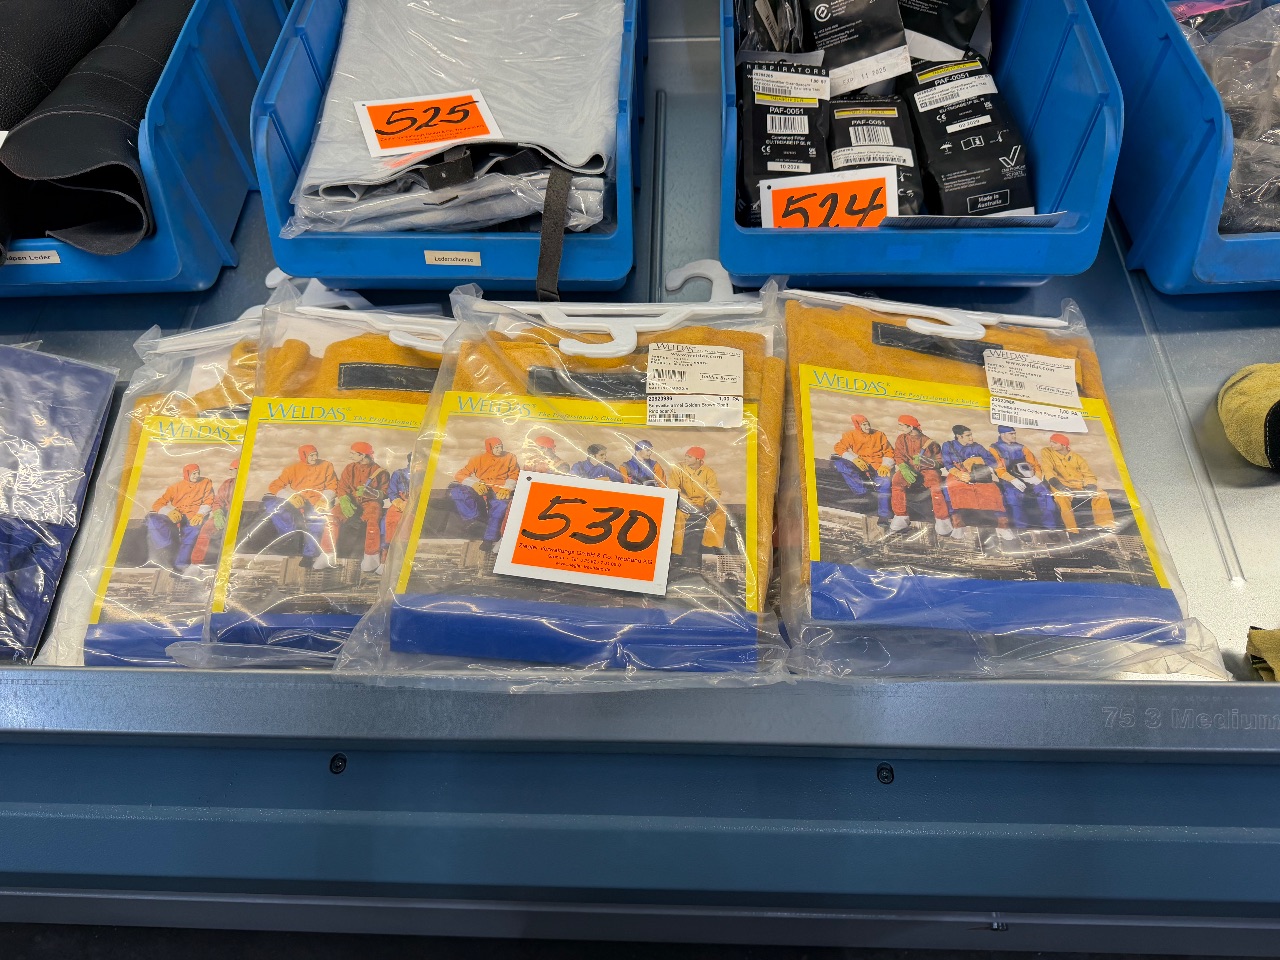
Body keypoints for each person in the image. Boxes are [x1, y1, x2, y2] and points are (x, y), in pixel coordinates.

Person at [264, 444, 340, 570]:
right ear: (303, 456)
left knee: (316, 523)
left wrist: (325, 499)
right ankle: (289, 540)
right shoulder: (292, 469)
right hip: (299, 501)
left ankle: (308, 555)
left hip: (318, 502)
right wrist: (290, 497)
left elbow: (333, 486)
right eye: (311, 455)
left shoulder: (327, 466)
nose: (315, 457)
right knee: (273, 506)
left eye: (316, 454)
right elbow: (274, 486)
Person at [941, 425, 1015, 542]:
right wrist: (959, 473)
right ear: (959, 436)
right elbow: (947, 463)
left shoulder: (977, 447)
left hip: (977, 475)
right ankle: (958, 525)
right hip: (957, 474)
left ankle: (1002, 526)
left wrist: (975, 460)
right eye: (968, 435)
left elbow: (992, 461)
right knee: (950, 491)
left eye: (971, 435)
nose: (971, 437)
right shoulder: (948, 445)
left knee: (994, 492)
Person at [449, 437, 520, 552]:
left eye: (501, 447)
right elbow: (460, 475)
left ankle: (488, 539)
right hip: (481, 489)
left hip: (500, 491)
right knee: (458, 491)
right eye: (496, 447)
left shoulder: (510, 457)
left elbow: (515, 474)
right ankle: (473, 519)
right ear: (489, 448)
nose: (500, 449)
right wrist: (474, 484)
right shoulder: (477, 459)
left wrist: (507, 488)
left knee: (500, 507)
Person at [888, 415, 952, 536]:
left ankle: (942, 519)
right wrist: (903, 467)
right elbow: (898, 455)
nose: (900, 428)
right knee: (896, 480)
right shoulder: (901, 439)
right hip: (909, 469)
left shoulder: (930, 442)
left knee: (935, 484)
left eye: (902, 425)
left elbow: (940, 461)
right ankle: (901, 516)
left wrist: (927, 462)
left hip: (927, 469)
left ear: (911, 427)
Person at [1039, 433, 1117, 532]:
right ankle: (1072, 530)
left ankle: (1105, 525)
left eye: (1054, 443)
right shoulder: (1046, 451)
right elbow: (1047, 469)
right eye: (1051, 442)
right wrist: (1059, 485)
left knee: (1101, 494)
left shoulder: (1078, 458)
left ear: (1064, 445)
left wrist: (1091, 485)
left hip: (1078, 483)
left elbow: (1088, 474)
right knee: (1062, 498)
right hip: (1059, 483)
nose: (1051, 444)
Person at [147, 463, 214, 574]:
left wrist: (201, 514)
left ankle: (180, 565)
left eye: (198, 473)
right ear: (186, 474)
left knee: (192, 532)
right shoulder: (175, 487)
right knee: (153, 518)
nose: (197, 476)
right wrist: (169, 512)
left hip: (195, 517)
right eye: (194, 473)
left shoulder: (206, 482)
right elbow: (157, 504)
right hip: (178, 516)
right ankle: (167, 548)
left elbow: (209, 501)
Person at [335, 441, 389, 574]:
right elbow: (342, 487)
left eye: (353, 453)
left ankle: (371, 557)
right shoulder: (349, 468)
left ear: (363, 455)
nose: (350, 456)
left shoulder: (380, 472)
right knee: (332, 515)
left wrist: (372, 493)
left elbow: (385, 492)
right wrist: (344, 499)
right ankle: (328, 553)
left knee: (373, 520)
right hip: (351, 501)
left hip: (371, 503)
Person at [989, 426, 1057, 530]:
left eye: (1014, 433)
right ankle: (1021, 529)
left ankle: (1051, 527)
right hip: (1009, 481)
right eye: (1011, 434)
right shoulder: (994, 449)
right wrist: (1013, 480)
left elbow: (1035, 464)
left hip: (1030, 478)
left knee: (1045, 494)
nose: (1014, 436)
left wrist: (1037, 477)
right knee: (1013, 498)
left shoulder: (1022, 447)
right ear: (1002, 434)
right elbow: (999, 469)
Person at [670, 446, 727, 566]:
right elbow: (673, 486)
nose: (685, 458)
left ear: (698, 459)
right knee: (678, 515)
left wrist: (711, 503)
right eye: (685, 456)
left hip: (703, 502)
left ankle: (710, 549)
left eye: (689, 457)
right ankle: (676, 554)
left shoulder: (709, 472)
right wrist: (681, 501)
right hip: (686, 501)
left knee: (720, 513)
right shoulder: (678, 468)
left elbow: (714, 490)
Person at [832, 414, 894, 519]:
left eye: (868, 424)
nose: (868, 427)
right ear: (858, 426)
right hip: (861, 465)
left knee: (885, 483)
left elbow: (890, 452)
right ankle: (863, 493)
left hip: (878, 466)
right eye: (864, 425)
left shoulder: (880, 435)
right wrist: (854, 459)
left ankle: (884, 517)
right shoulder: (850, 435)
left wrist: (886, 466)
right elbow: (839, 447)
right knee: (840, 463)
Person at [189, 456, 239, 567]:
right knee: (206, 528)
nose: (230, 472)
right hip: (224, 512)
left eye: (233, 469)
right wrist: (218, 512)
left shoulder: (246, 483)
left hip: (240, 514)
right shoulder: (228, 483)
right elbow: (218, 500)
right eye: (230, 469)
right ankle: (197, 562)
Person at [381, 453, 412, 566]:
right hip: (399, 504)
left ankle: (401, 557)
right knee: (389, 519)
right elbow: (392, 492)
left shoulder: (424, 475)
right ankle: (386, 554)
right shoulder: (398, 474)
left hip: (415, 505)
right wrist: (400, 503)